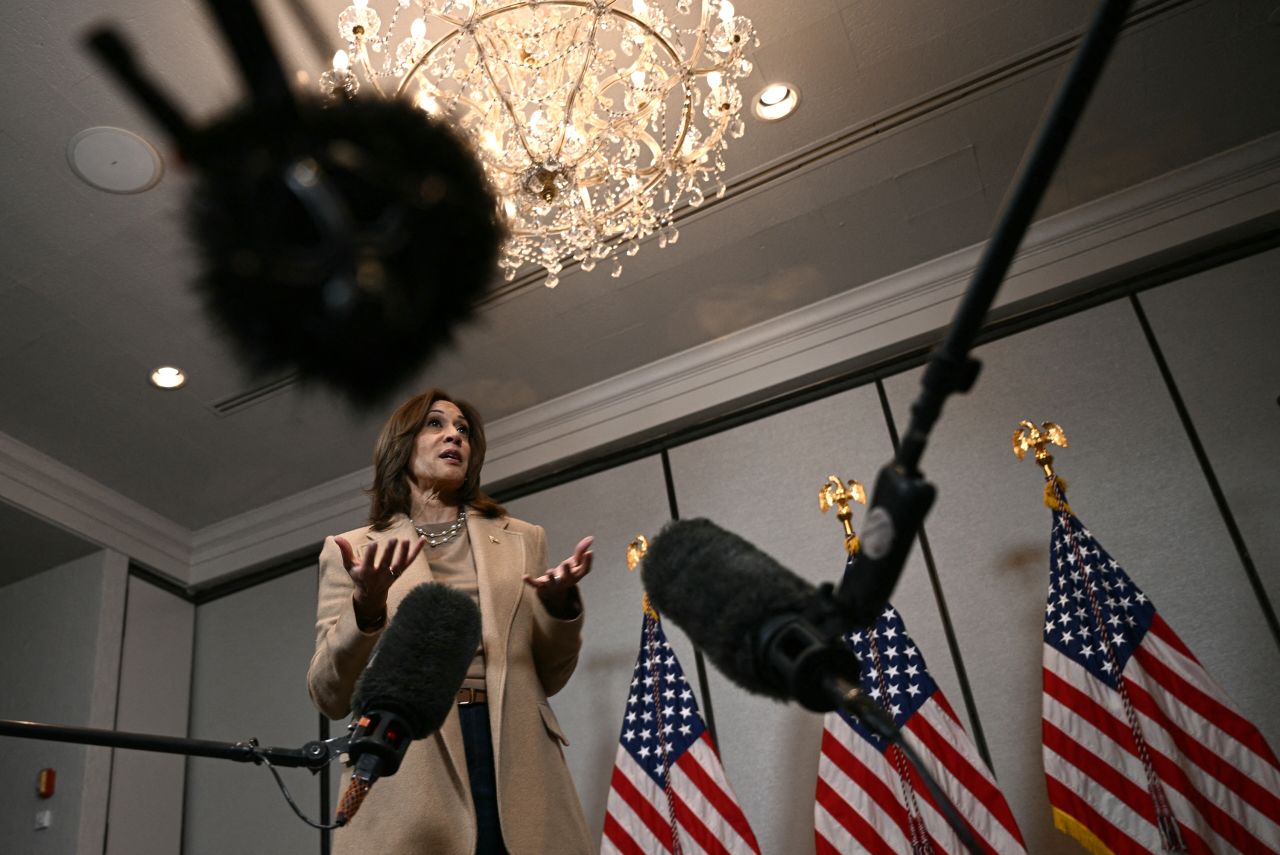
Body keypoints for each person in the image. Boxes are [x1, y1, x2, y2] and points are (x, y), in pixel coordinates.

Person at [307, 388, 594, 854]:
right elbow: (329, 693)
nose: (454, 436)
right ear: (401, 444)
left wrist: (560, 606)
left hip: (516, 752)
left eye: (463, 429)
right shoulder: (352, 549)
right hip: (411, 758)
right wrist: (367, 607)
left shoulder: (523, 538)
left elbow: (552, 675)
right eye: (436, 424)